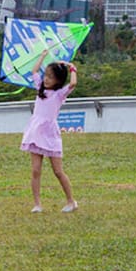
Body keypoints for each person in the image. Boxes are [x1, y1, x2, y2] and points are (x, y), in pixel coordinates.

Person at [20, 50, 79, 213]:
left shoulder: (59, 94)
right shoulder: (40, 87)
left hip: (50, 134)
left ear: (58, 80)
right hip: (35, 132)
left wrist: (72, 68)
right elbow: (34, 71)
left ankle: (71, 201)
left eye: (51, 77)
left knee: (58, 171)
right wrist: (42, 57)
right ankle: (37, 204)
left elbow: (73, 84)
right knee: (35, 170)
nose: (46, 79)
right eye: (46, 75)